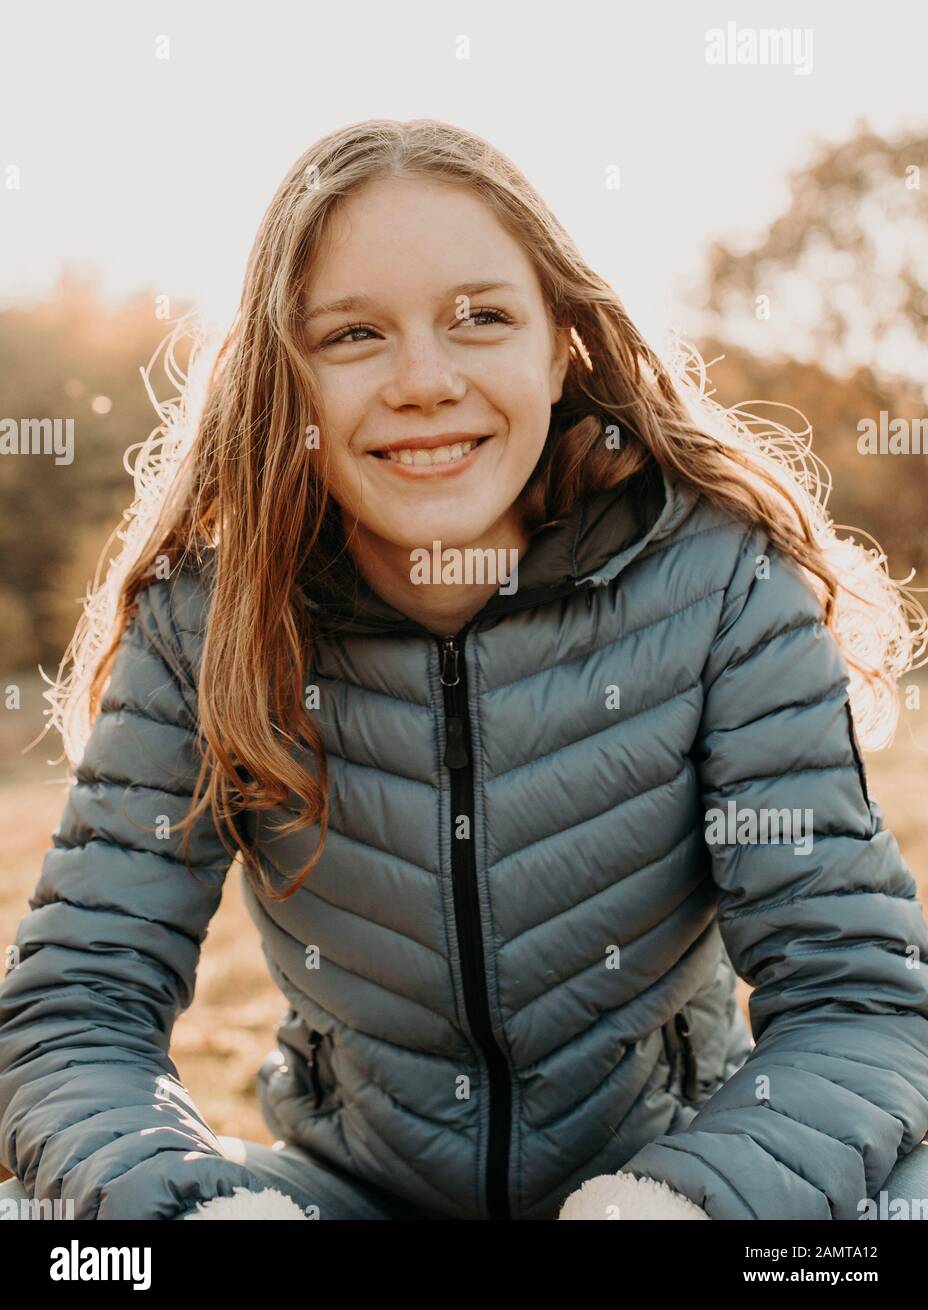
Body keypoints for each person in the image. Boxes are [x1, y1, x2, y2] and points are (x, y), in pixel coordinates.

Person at [1, 118, 927, 1222]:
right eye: (353, 335)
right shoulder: (205, 620)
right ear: (282, 380)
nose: (424, 381)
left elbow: (859, 998)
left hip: (672, 1186)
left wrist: (679, 1202)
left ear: (558, 343)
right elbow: (78, 1008)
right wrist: (193, 1212)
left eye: (480, 317)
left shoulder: (721, 583)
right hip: (343, 1201)